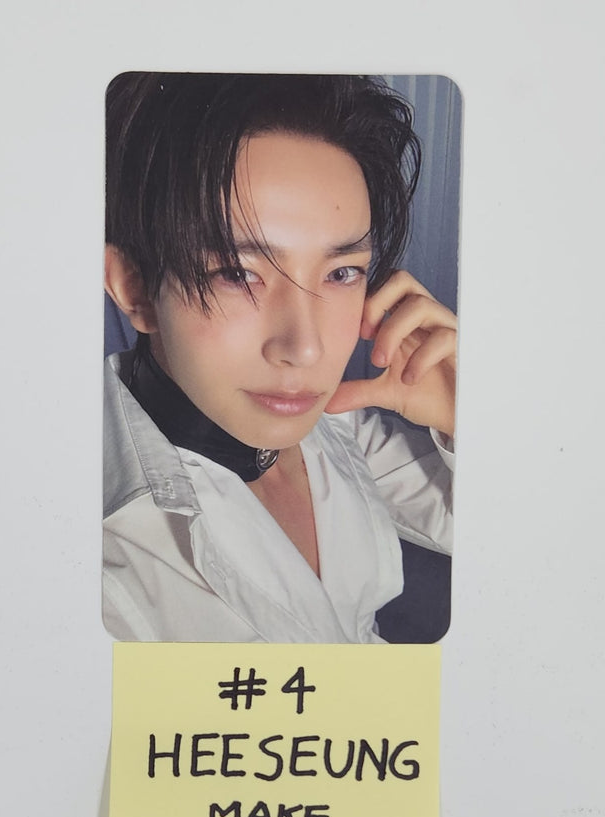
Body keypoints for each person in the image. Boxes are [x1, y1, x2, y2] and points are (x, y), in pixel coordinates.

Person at [103, 73, 456, 644]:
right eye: (237, 273)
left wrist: (469, 420)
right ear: (135, 288)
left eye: (342, 272)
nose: (306, 348)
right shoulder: (105, 559)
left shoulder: (335, 428)